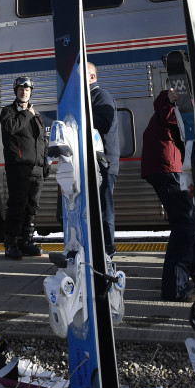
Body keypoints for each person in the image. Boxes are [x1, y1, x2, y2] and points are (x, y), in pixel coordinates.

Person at [140, 87, 195, 301]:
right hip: (169, 168)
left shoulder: (163, 109)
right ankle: (175, 288)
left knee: (186, 222)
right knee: (184, 225)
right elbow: (171, 113)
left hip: (165, 167)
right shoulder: (168, 107)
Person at [0, 76, 48, 260]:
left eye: (27, 89)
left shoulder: (37, 116)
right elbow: (11, 128)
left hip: (36, 168)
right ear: (16, 91)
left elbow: (42, 140)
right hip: (18, 167)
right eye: (21, 89)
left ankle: (25, 240)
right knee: (17, 206)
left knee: (32, 207)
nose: (24, 91)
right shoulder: (8, 111)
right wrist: (27, 113)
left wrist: (45, 163)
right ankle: (11, 243)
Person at [87, 62, 120, 257]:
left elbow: (104, 123)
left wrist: (82, 116)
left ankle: (107, 248)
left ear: (92, 77)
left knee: (104, 208)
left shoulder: (100, 96)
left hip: (104, 163)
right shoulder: (88, 97)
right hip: (95, 163)